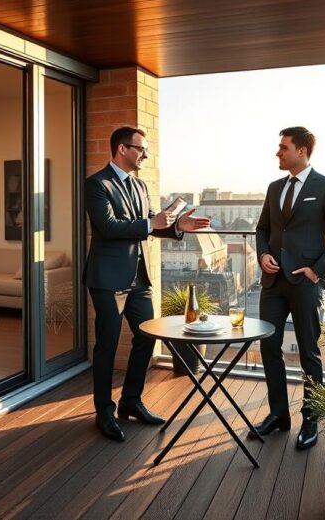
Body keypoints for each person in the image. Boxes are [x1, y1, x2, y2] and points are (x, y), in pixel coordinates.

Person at [84, 126, 211, 442]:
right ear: (122, 149)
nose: (145, 154)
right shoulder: (96, 184)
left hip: (139, 279)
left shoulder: (140, 185)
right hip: (108, 279)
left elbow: (152, 224)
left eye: (145, 150)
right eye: (140, 149)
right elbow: (109, 227)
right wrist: (149, 224)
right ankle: (104, 412)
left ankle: (131, 400)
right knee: (107, 345)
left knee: (147, 337)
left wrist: (176, 226)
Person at [253, 126, 325, 449]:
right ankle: (278, 415)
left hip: (304, 283)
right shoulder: (273, 187)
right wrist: (264, 254)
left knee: (309, 353)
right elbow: (263, 228)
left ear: (302, 151)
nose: (277, 153)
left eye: (283, 148)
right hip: (272, 282)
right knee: (269, 348)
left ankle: (310, 420)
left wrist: (317, 270)